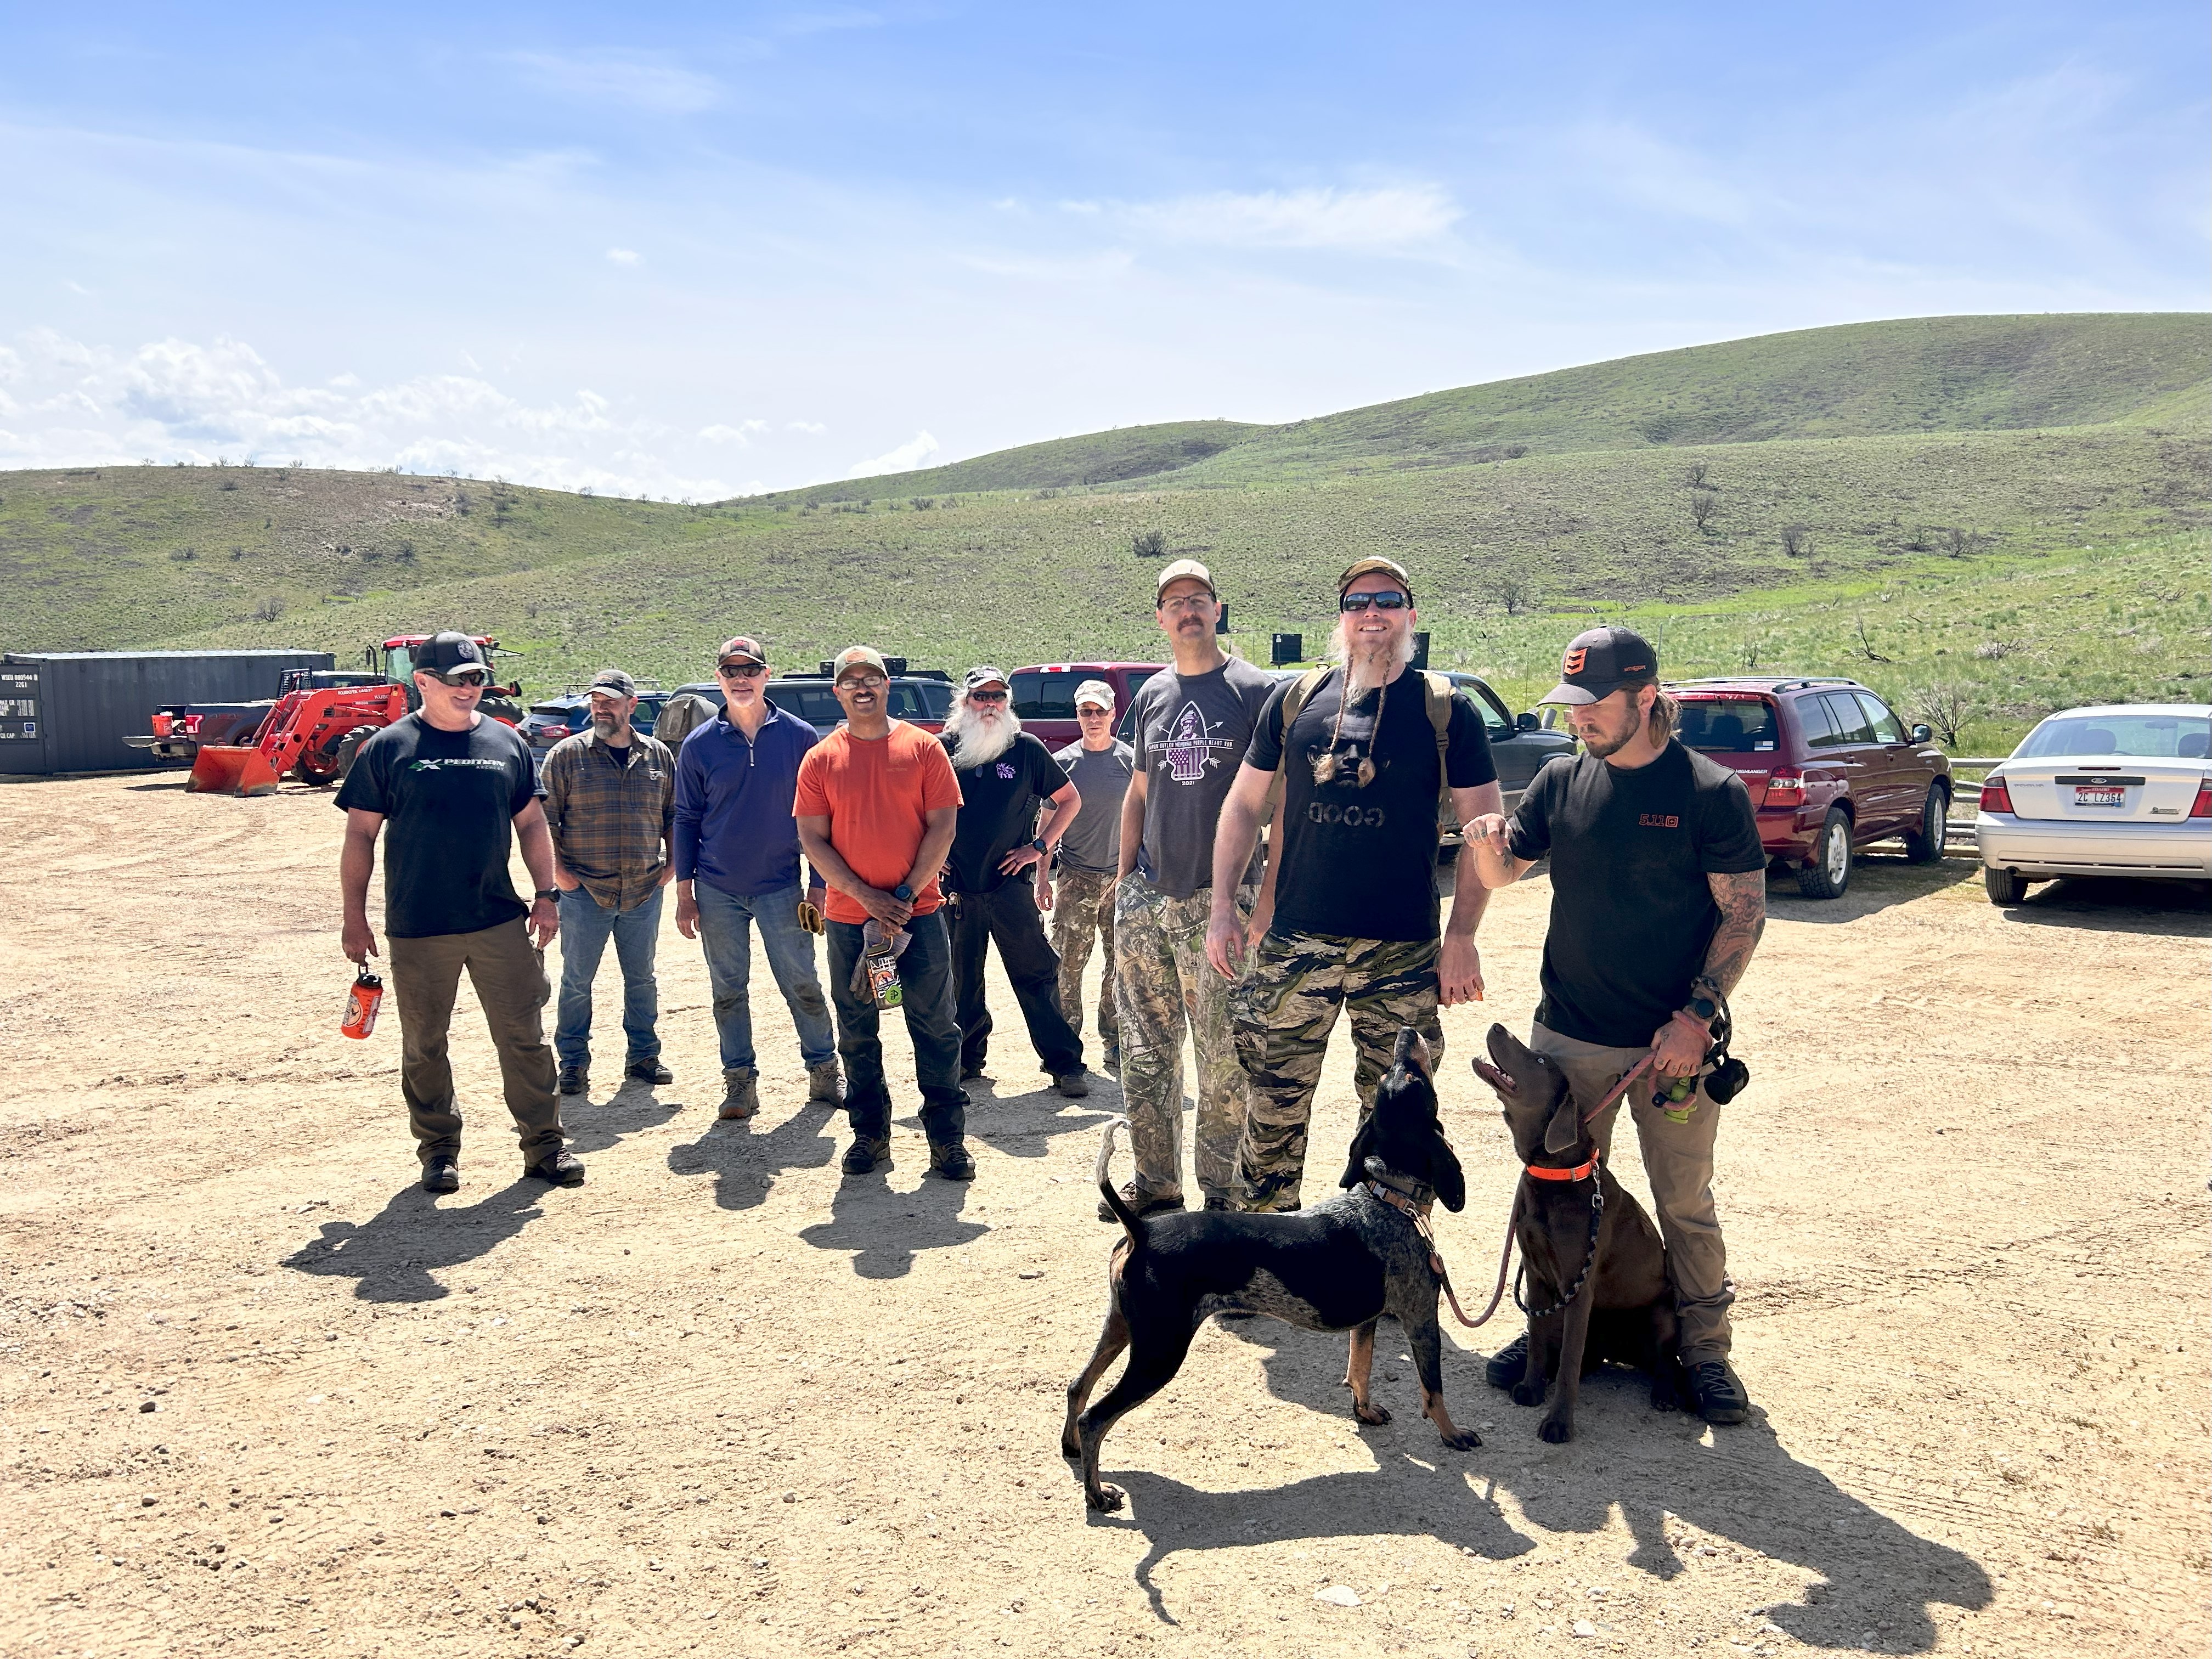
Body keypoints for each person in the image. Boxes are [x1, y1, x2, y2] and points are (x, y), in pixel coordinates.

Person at [1463, 624, 1768, 1427]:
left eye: (1593, 706)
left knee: (1684, 1202)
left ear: (1645, 697)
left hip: (1674, 1047)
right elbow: (1503, 871)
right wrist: (1483, 844)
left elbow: (1744, 912)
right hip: (1568, 1036)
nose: (1578, 722)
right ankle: (1551, 1332)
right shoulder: (1562, 782)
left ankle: (1702, 1352)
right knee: (1553, 1192)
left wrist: (1698, 1019)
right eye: (1570, 707)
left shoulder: (1710, 793)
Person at [1206, 557, 1502, 1211]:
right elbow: (1243, 805)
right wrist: (1225, 907)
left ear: (1411, 616)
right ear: (1341, 617)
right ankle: (1267, 1251)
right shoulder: (1297, 700)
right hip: (1297, 944)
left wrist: (1463, 937)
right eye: (1359, 602)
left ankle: (1392, 1256)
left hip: (1403, 950)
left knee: (1400, 1113)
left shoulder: (1444, 709)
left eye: (1389, 601)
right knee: (1274, 1102)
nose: (1373, 614)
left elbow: (1486, 829)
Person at [335, 630, 581, 1193]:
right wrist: (355, 916)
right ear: (422, 682)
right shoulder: (388, 748)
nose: (470, 690)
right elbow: (360, 837)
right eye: (457, 681)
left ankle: (545, 1148)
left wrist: (546, 896)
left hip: (498, 920)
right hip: (420, 927)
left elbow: (532, 824)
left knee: (524, 1039)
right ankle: (438, 1151)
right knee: (425, 1044)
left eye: (476, 679)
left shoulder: (506, 743)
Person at [1107, 560, 1278, 1218]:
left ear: (1217, 608)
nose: (1187, 611)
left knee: (1224, 1062)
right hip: (1149, 898)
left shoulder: (1254, 691)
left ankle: (1222, 1196)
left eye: (1198, 599)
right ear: (1159, 617)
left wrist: (1259, 902)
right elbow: (1139, 793)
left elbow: (1281, 804)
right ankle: (1155, 1183)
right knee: (1146, 1051)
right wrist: (1125, 882)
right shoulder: (1151, 695)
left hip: (1219, 901)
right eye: (1174, 602)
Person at [793, 646, 972, 1178]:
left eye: (872, 678)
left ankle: (947, 1141)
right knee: (857, 1031)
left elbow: (944, 827)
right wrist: (869, 899)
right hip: (852, 923)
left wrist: (905, 898)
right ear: (838, 693)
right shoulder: (821, 759)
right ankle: (870, 1136)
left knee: (937, 1028)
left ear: (888, 685)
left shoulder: (923, 750)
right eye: (852, 681)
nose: (863, 687)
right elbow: (813, 840)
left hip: (919, 919)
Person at [672, 636, 842, 1122]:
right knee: (728, 990)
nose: (741, 679)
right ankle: (740, 1083)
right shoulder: (700, 745)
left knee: (803, 982)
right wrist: (685, 892)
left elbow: (822, 815)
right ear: (720, 678)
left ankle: (824, 1072)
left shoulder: (799, 737)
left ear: (767, 675)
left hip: (784, 886)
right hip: (718, 888)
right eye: (731, 671)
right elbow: (685, 818)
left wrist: (819, 883)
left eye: (750, 670)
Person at [938, 666, 1091, 1097]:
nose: (990, 705)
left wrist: (1039, 848)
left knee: (1036, 975)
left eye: (997, 696)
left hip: (1010, 886)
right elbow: (912, 808)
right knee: (961, 979)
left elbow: (1069, 800)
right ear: (965, 703)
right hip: (957, 889)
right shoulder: (941, 749)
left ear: (1008, 701)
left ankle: (1065, 1064)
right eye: (980, 697)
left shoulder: (1026, 749)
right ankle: (968, 1062)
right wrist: (930, 861)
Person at [540, 667, 676, 1098]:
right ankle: (574, 1063)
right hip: (585, 891)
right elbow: (545, 822)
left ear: (631, 706)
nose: (600, 708)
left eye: (610, 701)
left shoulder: (658, 757)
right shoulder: (566, 755)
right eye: (595, 701)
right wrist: (561, 876)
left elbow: (674, 816)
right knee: (577, 981)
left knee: (642, 978)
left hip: (643, 890)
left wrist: (671, 868)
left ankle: (643, 1056)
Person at [1048, 679, 1135, 1076]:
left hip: (1122, 880)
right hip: (1075, 879)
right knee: (1067, 966)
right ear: (1077, 716)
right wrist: (1040, 880)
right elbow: (1047, 823)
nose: (1094, 718)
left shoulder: (1131, 761)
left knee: (1119, 966)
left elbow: (1148, 818)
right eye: (1086, 711)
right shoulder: (1063, 763)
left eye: (1101, 711)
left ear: (1114, 713)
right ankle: (1066, 1050)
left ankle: (1114, 1041)